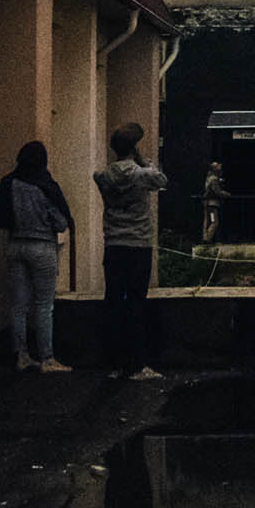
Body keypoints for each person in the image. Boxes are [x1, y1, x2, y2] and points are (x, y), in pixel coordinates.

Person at [94, 122, 169, 379]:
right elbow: (162, 179)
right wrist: (144, 161)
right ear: (133, 148)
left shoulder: (103, 177)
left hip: (113, 244)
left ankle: (114, 364)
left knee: (114, 301)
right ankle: (137, 364)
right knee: (136, 302)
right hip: (138, 244)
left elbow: (100, 176)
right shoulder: (142, 175)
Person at [0, 141, 72, 372]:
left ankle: (21, 355)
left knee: (19, 305)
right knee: (44, 305)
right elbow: (61, 222)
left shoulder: (8, 183)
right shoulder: (44, 186)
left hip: (15, 245)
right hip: (42, 247)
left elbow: (2, 218)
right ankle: (47, 358)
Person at [201, 161, 227, 245]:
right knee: (214, 221)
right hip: (212, 203)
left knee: (207, 220)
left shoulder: (209, 178)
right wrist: (225, 194)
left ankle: (205, 237)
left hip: (207, 202)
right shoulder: (214, 179)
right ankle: (208, 238)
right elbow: (217, 191)